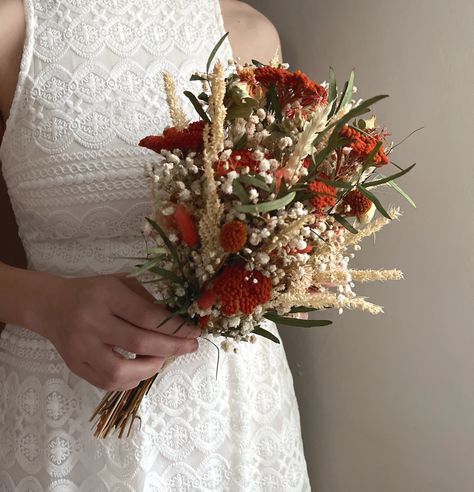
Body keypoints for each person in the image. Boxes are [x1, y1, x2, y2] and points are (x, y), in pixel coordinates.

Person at [0, 0, 311, 489]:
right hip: (65, 414)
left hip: (232, 415)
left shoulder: (248, 33)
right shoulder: (13, 28)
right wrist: (44, 305)